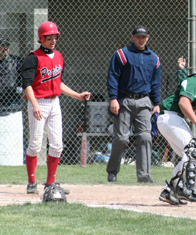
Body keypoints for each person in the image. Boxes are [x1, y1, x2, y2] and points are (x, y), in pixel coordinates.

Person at [21, 21, 91, 194]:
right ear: (41, 38)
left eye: (55, 37)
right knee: (35, 144)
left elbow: (57, 83)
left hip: (54, 103)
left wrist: (77, 95)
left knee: (57, 145)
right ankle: (31, 182)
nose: (53, 40)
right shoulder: (33, 58)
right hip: (38, 102)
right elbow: (27, 84)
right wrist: (35, 104)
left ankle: (50, 183)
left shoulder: (58, 56)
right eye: (49, 37)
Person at [158, 56, 196, 204]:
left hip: (173, 118)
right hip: (170, 116)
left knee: (191, 154)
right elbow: (183, 103)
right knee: (192, 150)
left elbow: (194, 111)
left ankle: (171, 190)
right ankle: (186, 188)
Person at [106, 26, 161, 183]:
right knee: (122, 138)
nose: (141, 39)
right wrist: (113, 98)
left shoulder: (154, 58)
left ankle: (144, 175)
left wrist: (156, 103)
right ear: (132, 37)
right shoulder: (122, 54)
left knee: (145, 136)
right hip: (125, 100)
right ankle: (112, 171)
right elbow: (113, 77)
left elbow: (156, 83)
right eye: (138, 37)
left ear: (148, 38)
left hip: (144, 101)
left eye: (144, 37)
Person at [0, 37, 24, 164]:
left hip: (12, 102)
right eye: (2, 46)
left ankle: (18, 159)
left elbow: (23, 79)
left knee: (12, 133)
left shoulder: (16, 61)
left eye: (6, 46)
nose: (5, 49)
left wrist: (18, 88)